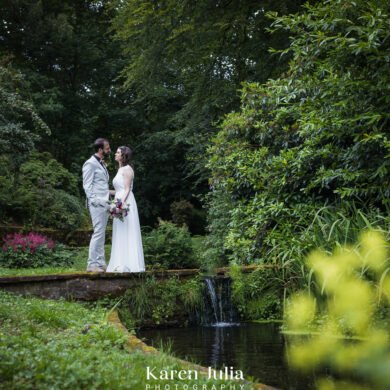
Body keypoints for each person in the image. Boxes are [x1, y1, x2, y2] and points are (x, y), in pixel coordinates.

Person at [107, 146, 145, 273]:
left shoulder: (128, 169)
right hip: (119, 200)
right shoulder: (120, 169)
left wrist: (120, 205)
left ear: (124, 155)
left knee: (127, 230)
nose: (115, 154)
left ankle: (130, 264)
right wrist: (105, 192)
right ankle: (120, 263)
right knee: (120, 231)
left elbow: (127, 189)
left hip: (126, 203)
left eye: (118, 153)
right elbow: (118, 190)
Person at [82, 138, 111, 272]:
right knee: (98, 232)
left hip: (104, 202)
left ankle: (100, 262)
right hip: (97, 203)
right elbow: (87, 185)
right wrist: (95, 201)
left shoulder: (102, 164)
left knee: (102, 233)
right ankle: (91, 264)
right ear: (100, 149)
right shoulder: (90, 163)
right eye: (107, 147)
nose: (109, 149)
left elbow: (102, 185)